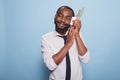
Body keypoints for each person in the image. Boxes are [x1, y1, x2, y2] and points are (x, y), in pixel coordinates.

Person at [41, 5, 90, 80]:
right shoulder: (46, 38)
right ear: (55, 17)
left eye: (68, 18)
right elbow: (50, 65)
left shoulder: (77, 35)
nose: (63, 20)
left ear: (71, 21)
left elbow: (85, 59)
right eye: (60, 16)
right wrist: (68, 44)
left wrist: (76, 34)